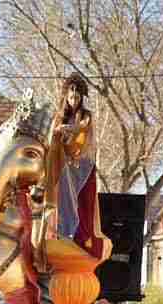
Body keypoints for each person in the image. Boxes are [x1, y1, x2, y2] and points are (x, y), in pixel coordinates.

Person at [45, 72, 101, 256]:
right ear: (66, 97)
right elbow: (50, 139)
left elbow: (84, 133)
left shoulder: (86, 116)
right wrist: (58, 132)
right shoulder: (58, 117)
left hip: (80, 166)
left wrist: (73, 130)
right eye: (70, 97)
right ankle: (60, 232)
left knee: (81, 202)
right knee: (60, 200)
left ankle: (79, 237)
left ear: (81, 98)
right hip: (61, 165)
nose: (74, 100)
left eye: (77, 97)